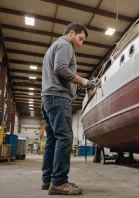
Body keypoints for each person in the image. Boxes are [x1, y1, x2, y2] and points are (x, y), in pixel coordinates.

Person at [41, 22, 96, 195]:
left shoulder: (54, 46)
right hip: (58, 98)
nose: (81, 43)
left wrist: (78, 86)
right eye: (80, 39)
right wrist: (85, 82)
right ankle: (58, 182)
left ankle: (48, 179)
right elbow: (61, 68)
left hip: (48, 97)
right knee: (65, 138)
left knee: (52, 140)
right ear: (71, 33)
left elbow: (60, 73)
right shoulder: (65, 45)